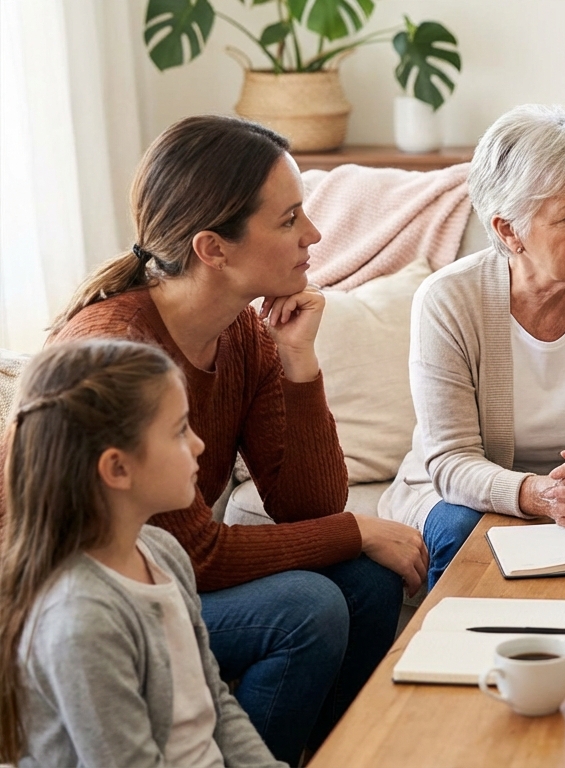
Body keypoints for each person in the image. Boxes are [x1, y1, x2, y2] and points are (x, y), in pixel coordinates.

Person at [39, 115, 427, 763]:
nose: (315, 234)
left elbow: (308, 505)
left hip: (155, 575)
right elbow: (195, 551)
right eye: (289, 220)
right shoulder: (117, 351)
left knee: (367, 582)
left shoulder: (244, 334)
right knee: (306, 608)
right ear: (212, 248)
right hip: (77, 608)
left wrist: (299, 367)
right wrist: (359, 529)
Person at [379, 104, 565, 589]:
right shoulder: (448, 299)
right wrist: (538, 494)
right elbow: (451, 459)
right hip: (468, 493)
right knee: (458, 532)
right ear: (508, 230)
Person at [0, 339, 282, 767]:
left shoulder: (161, 552)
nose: (199, 445)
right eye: (180, 429)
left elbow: (215, 702)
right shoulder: (82, 618)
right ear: (117, 468)